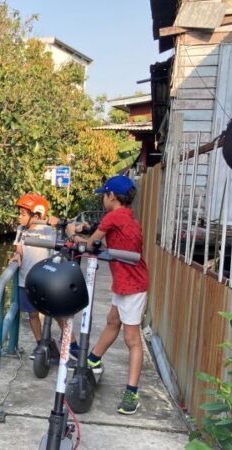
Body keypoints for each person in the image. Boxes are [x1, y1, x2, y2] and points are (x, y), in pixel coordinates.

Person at [66, 175, 149, 415]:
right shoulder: (125, 216)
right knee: (113, 321)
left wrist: (73, 234)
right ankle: (93, 358)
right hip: (124, 283)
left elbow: (91, 244)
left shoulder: (114, 216)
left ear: (112, 196)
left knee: (132, 339)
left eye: (104, 194)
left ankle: (132, 393)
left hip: (133, 285)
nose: (103, 198)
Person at [10, 193, 78, 361]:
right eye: (20, 213)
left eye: (23, 214)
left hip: (46, 282)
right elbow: (19, 249)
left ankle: (74, 345)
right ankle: (41, 343)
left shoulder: (48, 231)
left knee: (57, 315)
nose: (19, 217)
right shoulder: (21, 230)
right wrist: (17, 256)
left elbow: (62, 249)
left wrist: (58, 225)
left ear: (37, 215)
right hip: (25, 280)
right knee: (32, 314)